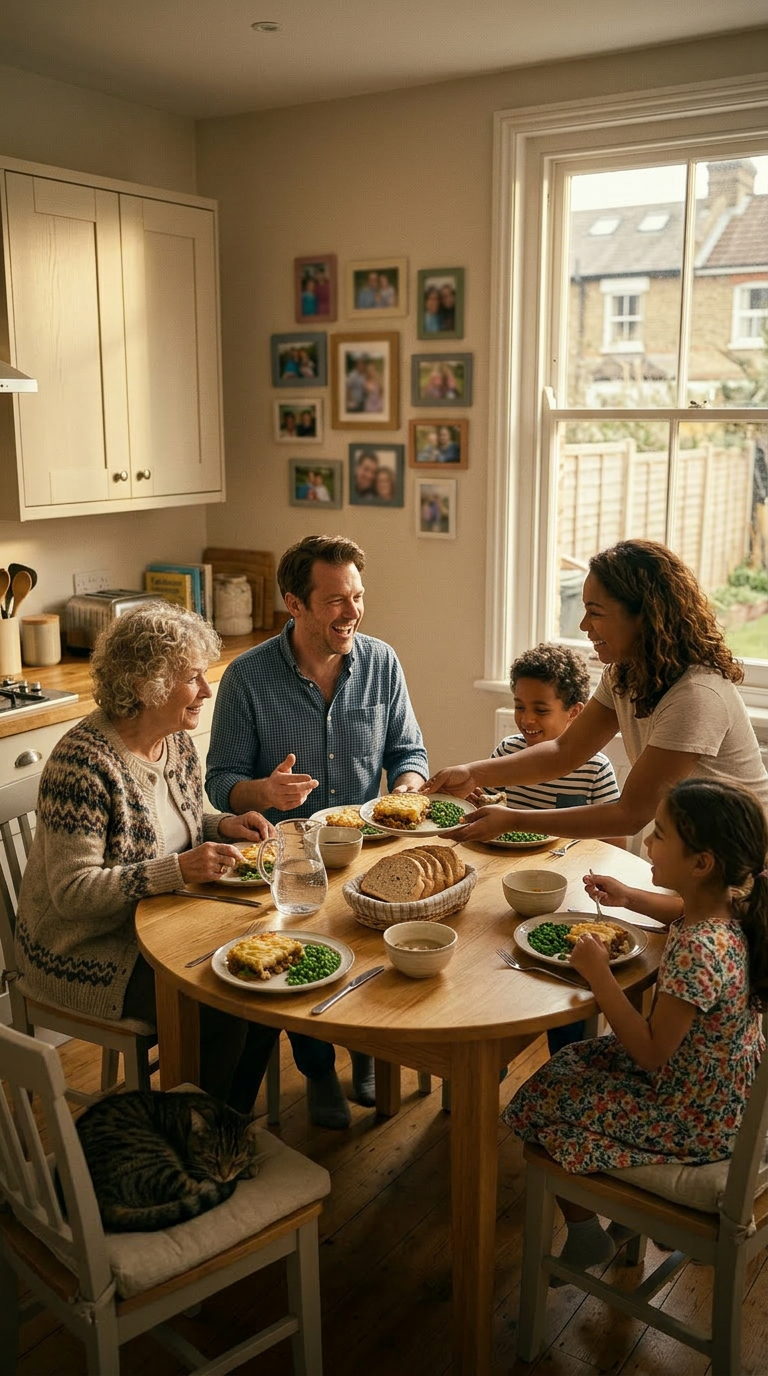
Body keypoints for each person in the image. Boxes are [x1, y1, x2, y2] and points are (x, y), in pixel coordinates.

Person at [14, 604, 275, 1112]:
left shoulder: (174, 741)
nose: (206, 690)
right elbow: (72, 895)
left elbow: (186, 814)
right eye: (192, 679)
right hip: (83, 949)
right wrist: (177, 870)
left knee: (260, 991)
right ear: (145, 685)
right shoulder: (83, 765)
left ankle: (225, 1130)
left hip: (162, 923)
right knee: (221, 1003)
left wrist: (224, 824)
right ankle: (189, 1141)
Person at [206, 535, 429, 1128]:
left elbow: (410, 749)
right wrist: (262, 792)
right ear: (294, 604)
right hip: (284, 861)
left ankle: (363, 1050)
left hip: (365, 849)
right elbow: (218, 779)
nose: (351, 612)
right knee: (301, 958)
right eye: (334, 600)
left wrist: (407, 786)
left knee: (366, 949)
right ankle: (317, 1068)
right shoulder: (246, 678)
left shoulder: (381, 662)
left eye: (357, 596)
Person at [504, 778, 768, 1274]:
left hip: (692, 1117)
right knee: (569, 1060)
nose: (648, 840)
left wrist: (599, 974)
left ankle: (585, 1237)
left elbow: (650, 1053)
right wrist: (629, 897)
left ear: (701, 863)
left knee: (540, 1104)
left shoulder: (697, 950)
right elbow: (679, 910)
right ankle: (626, 1226)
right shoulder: (734, 909)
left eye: (661, 834)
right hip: (724, 1094)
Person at [426, 539, 768, 841]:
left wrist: (513, 819)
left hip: (746, 868)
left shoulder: (695, 696)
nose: (583, 625)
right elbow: (564, 751)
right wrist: (472, 773)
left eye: (595, 612)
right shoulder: (624, 673)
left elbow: (629, 815)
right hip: (702, 853)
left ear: (646, 616)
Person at [489, 643, 622, 1053]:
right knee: (495, 970)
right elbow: (489, 812)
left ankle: (566, 1058)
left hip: (567, 894)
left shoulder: (595, 769)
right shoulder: (507, 754)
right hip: (505, 887)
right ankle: (492, 1056)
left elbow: (614, 846)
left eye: (541, 710)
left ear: (575, 712)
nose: (526, 720)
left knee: (565, 984)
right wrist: (480, 805)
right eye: (519, 706)